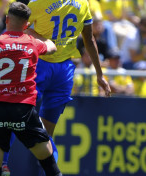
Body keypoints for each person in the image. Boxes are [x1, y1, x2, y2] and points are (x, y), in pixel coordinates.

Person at [21, 0, 112, 166]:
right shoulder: (83, 4)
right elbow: (89, 39)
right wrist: (99, 74)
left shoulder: (38, 2)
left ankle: (3, 164)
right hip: (64, 71)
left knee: (19, 116)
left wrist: (42, 39)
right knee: (47, 135)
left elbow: (20, 26)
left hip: (39, 64)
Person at [0, 2, 61, 176]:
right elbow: (52, 48)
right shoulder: (33, 43)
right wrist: (38, 36)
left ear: (7, 19)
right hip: (23, 109)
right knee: (50, 167)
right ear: (27, 25)